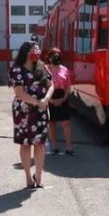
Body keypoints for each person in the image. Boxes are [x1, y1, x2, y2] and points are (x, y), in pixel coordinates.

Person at [9, 41, 54, 188]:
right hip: (23, 111)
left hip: (41, 110)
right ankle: (28, 177)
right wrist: (36, 102)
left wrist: (46, 99)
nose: (37, 52)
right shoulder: (17, 69)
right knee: (26, 144)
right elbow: (19, 92)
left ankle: (39, 177)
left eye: (38, 49)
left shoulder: (42, 67)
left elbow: (51, 85)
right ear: (26, 52)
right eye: (34, 50)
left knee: (40, 145)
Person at [46, 48, 75, 156]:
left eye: (58, 55)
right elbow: (43, 85)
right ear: (49, 57)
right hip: (49, 97)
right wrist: (50, 99)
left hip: (62, 97)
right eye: (54, 55)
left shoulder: (64, 69)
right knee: (51, 123)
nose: (56, 57)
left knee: (66, 122)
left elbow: (68, 86)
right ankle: (55, 146)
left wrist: (63, 98)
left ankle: (69, 146)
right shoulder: (45, 69)